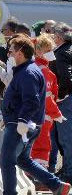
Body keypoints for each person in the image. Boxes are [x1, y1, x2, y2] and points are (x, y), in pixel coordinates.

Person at [0, 35, 71, 195]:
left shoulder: (28, 73)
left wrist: (21, 121)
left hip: (22, 125)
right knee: (23, 160)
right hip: (21, 123)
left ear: (20, 53)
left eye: (11, 51)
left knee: (6, 160)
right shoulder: (27, 70)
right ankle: (57, 186)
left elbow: (31, 101)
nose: (9, 54)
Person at [32, 35, 65, 172]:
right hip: (43, 116)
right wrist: (56, 113)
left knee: (34, 147)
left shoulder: (38, 69)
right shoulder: (44, 72)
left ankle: (35, 176)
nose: (52, 52)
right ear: (39, 51)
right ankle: (39, 178)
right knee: (42, 147)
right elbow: (46, 96)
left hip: (38, 116)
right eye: (49, 50)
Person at [52, 23, 72, 183]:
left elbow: (66, 77)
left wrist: (60, 96)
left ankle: (68, 173)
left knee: (66, 138)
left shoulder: (61, 53)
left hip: (66, 101)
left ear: (59, 38)